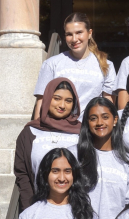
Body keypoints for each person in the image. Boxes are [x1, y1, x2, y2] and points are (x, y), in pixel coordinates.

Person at [14, 77, 81, 212]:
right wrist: (30, 209)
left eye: (68, 101)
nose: (62, 105)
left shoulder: (82, 133)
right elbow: (23, 175)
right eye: (57, 98)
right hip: (39, 208)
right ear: (48, 98)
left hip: (74, 210)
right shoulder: (30, 132)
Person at [34, 12, 116, 120]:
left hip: (90, 131)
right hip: (58, 130)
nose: (74, 39)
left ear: (90, 33)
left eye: (79, 32)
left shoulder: (106, 65)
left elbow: (108, 106)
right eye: (69, 34)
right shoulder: (52, 64)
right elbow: (41, 103)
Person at [68, 97, 129, 218]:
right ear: (87, 122)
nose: (100, 122)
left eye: (105, 117)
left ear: (115, 119)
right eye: (93, 118)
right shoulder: (73, 155)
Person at [19, 148, 95, 219]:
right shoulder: (30, 215)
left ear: (74, 175)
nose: (62, 178)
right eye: (55, 171)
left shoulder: (86, 213)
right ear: (45, 174)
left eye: (67, 171)